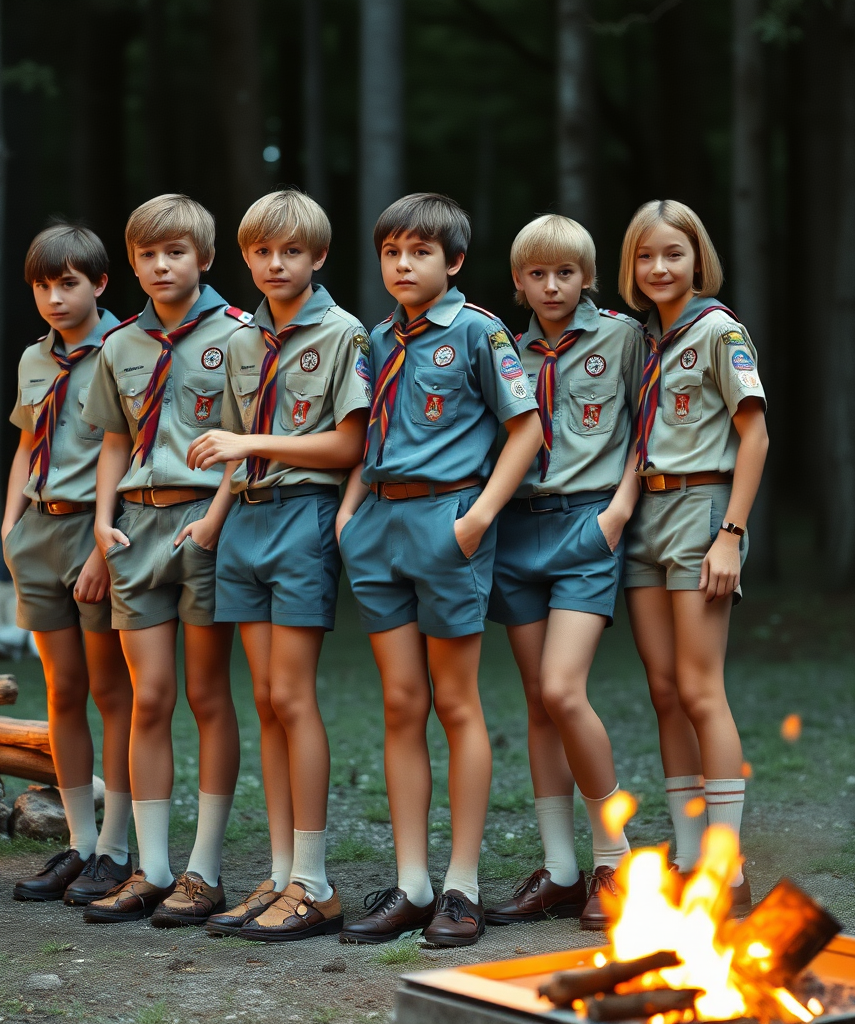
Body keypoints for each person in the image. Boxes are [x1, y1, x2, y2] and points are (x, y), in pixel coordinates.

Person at [337, 193, 542, 947]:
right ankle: (413, 884)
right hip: (379, 525)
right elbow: (366, 434)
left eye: (420, 252)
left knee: (456, 705)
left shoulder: (481, 331)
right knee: (399, 704)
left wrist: (478, 519)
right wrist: (350, 511)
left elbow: (526, 429)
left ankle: (462, 888)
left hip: (448, 524)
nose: (403, 264)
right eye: (391, 251)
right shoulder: (377, 337)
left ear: (452, 261)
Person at [186, 190, 370, 941]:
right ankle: (282, 870)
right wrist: (212, 522)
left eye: (291, 251)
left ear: (318, 257)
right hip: (246, 525)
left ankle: (318, 883)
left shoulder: (344, 334)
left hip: (302, 518)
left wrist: (248, 448)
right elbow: (237, 452)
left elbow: (347, 447)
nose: (274, 263)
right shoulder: (239, 340)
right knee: (263, 698)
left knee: (293, 698)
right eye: (261, 251)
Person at [80, 194, 246, 925]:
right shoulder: (119, 345)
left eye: (175, 251)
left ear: (204, 259)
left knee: (208, 696)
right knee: (150, 698)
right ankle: (150, 867)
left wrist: (215, 519)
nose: (161, 265)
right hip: (136, 531)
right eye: (147, 254)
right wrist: (101, 521)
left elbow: (251, 437)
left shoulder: (240, 336)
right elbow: (112, 440)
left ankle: (204, 870)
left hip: (207, 526)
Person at [481, 215, 644, 932]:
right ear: (518, 283)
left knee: (562, 688)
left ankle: (615, 858)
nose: (552, 286)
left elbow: (650, 427)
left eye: (566, 273)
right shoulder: (504, 352)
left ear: (589, 277)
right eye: (538, 274)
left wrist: (619, 511)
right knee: (536, 702)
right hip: (518, 530)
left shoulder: (623, 336)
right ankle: (560, 869)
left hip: (587, 524)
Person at [619, 200, 768, 913]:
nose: (659, 268)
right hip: (646, 512)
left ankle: (727, 870)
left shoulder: (717, 330)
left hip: (701, 511)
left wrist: (731, 535)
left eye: (673, 254)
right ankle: (685, 855)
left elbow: (757, 435)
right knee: (664, 689)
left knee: (701, 686)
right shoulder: (647, 339)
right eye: (646, 256)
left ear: (697, 258)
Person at [4, 224, 135, 906]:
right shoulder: (34, 360)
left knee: (111, 692)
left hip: (96, 535)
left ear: (100, 283)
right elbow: (28, 443)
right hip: (38, 531)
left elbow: (133, 453)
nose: (55, 298)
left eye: (69, 284)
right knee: (61, 693)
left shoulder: (124, 350)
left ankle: (115, 847)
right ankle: (80, 842)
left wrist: (101, 552)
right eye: (43, 286)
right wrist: (8, 527)